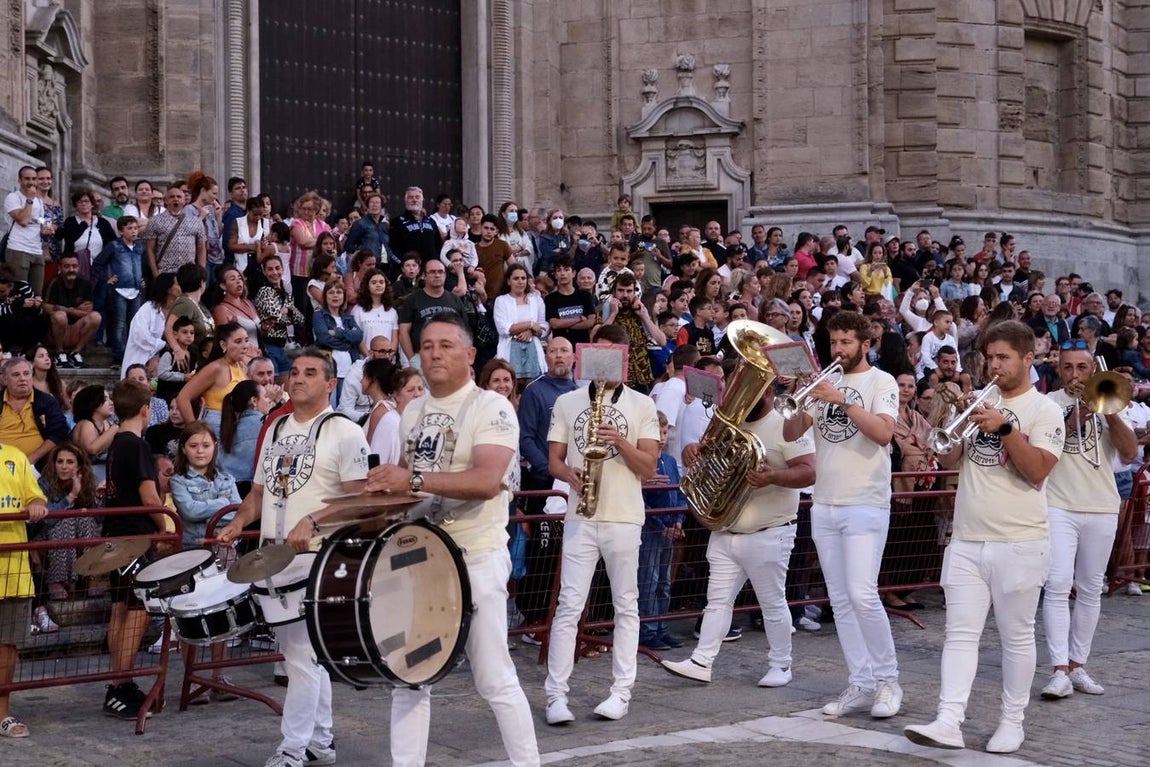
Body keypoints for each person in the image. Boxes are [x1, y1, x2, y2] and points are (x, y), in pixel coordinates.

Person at [340, 312, 540, 767]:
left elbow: (488, 480)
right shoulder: (412, 411)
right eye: (427, 344)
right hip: (422, 558)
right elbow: (414, 487)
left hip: (476, 553)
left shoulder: (492, 407)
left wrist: (408, 481)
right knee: (410, 676)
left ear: (470, 355)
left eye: (446, 345)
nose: (433, 353)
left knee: (493, 677)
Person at [904, 320, 1064, 754]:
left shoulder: (1045, 410)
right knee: (959, 633)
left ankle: (1013, 721)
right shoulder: (983, 401)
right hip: (968, 539)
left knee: (1016, 635)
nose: (993, 365)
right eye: (989, 357)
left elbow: (1037, 471)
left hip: (1021, 540)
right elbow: (948, 454)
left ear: (1028, 359)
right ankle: (948, 719)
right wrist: (958, 418)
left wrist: (1006, 429)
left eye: (1003, 358)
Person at [217, 349, 370, 767]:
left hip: (319, 560)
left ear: (330, 384)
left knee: (301, 658)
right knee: (303, 657)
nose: (298, 378)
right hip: (273, 557)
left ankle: (292, 748)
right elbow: (259, 494)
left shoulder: (347, 432)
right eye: (295, 372)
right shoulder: (277, 426)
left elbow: (360, 501)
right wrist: (238, 522)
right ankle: (321, 740)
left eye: (310, 373)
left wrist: (315, 520)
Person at [781, 309, 903, 719]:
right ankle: (861, 681)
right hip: (826, 502)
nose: (839, 349)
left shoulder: (880, 381)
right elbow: (790, 432)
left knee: (863, 593)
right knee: (841, 599)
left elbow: (885, 433)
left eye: (847, 342)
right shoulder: (823, 383)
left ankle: (889, 681)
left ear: (865, 345)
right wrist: (800, 395)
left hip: (866, 500)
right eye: (834, 342)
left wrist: (844, 400)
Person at [545, 323, 660, 724]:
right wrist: (569, 475)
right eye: (598, 355)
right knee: (568, 606)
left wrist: (620, 441)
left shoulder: (643, 405)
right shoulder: (568, 402)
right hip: (581, 513)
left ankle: (621, 692)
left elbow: (648, 467)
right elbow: (553, 460)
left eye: (613, 356)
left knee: (626, 605)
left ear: (624, 359)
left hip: (625, 516)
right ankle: (555, 695)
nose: (604, 363)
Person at [663, 381, 816, 685]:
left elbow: (809, 471)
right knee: (716, 602)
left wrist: (772, 476)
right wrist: (691, 451)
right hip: (726, 529)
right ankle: (702, 661)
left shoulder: (785, 422)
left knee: (772, 602)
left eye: (752, 387)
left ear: (769, 393)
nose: (741, 394)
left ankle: (781, 665)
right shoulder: (727, 422)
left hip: (769, 531)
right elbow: (705, 461)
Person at [1038, 343, 1137, 700]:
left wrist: (1109, 412)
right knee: (1058, 583)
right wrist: (1077, 412)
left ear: (1092, 370)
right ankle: (1059, 670)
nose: (1076, 375)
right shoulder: (1047, 404)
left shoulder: (1108, 401)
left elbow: (1129, 452)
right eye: (1068, 368)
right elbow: (1046, 448)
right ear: (1058, 369)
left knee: (1092, 587)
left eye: (1082, 368)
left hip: (1101, 505)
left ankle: (1078, 664)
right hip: (1058, 505)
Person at [102, 379, 170, 721]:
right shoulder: (137, 445)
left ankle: (122, 681)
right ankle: (117, 685)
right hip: (134, 539)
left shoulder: (116, 443)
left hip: (116, 536)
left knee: (120, 608)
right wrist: (164, 526)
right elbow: (149, 495)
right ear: (146, 410)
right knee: (138, 610)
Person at [0, 438, 48, 738]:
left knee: (6, 646)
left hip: (13, 571)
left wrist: (36, 506)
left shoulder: (16, 456)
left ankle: (1, 714)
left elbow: (37, 497)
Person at [636, 411, 686, 651]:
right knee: (649, 579)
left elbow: (678, 494)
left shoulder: (668, 461)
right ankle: (647, 630)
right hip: (651, 530)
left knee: (664, 582)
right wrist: (660, 525)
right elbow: (641, 499)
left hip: (669, 528)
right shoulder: (643, 463)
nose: (662, 438)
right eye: (658, 433)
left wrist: (678, 520)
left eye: (665, 432)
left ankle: (661, 627)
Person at [174, 322, 250, 435]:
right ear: (223, 345)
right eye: (238, 341)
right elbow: (183, 398)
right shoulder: (215, 368)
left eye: (247, 340)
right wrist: (195, 432)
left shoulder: (242, 366)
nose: (245, 346)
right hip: (216, 428)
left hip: (237, 428)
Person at [0, 357, 69, 468]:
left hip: (39, 464)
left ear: (32, 376)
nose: (23, 378)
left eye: (26, 373)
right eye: (16, 375)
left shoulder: (47, 402)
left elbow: (58, 433)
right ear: (4, 379)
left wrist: (31, 460)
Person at [43, 252, 101, 368]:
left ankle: (76, 352)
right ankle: (59, 353)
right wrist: (75, 310)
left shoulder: (85, 284)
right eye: (67, 266)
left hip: (76, 330)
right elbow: (46, 307)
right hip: (55, 333)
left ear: (79, 267)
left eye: (74, 266)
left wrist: (65, 309)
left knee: (96, 317)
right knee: (60, 316)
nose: (71, 269)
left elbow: (88, 311)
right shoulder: (54, 283)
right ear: (60, 268)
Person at [494, 263, 547, 386]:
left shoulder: (536, 299)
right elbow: (504, 328)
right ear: (508, 281)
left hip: (533, 348)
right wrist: (530, 324)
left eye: (523, 278)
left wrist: (531, 331)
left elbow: (543, 326)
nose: (520, 282)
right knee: (511, 385)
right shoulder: (501, 301)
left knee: (534, 386)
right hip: (510, 348)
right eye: (516, 278)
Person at [4, 165, 50, 291]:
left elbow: (39, 222)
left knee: (36, 296)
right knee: (19, 293)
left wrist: (45, 230)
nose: (31, 182)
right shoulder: (13, 197)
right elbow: (23, 220)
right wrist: (29, 200)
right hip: (18, 249)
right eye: (27, 179)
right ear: (20, 180)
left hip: (37, 250)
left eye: (34, 179)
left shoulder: (39, 201)